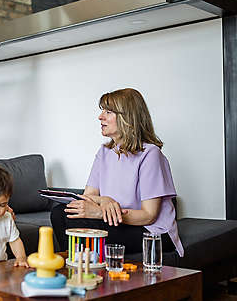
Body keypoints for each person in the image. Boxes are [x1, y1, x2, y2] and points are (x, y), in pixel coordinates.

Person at [50, 88, 184, 257]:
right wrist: (105, 200)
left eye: (108, 111)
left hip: (152, 231)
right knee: (61, 212)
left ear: (127, 117)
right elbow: (88, 196)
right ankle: (78, 265)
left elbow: (148, 216)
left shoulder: (150, 154)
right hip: (119, 223)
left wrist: (100, 213)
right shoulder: (104, 152)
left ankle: (86, 267)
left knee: (79, 225)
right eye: (102, 111)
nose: (100, 117)